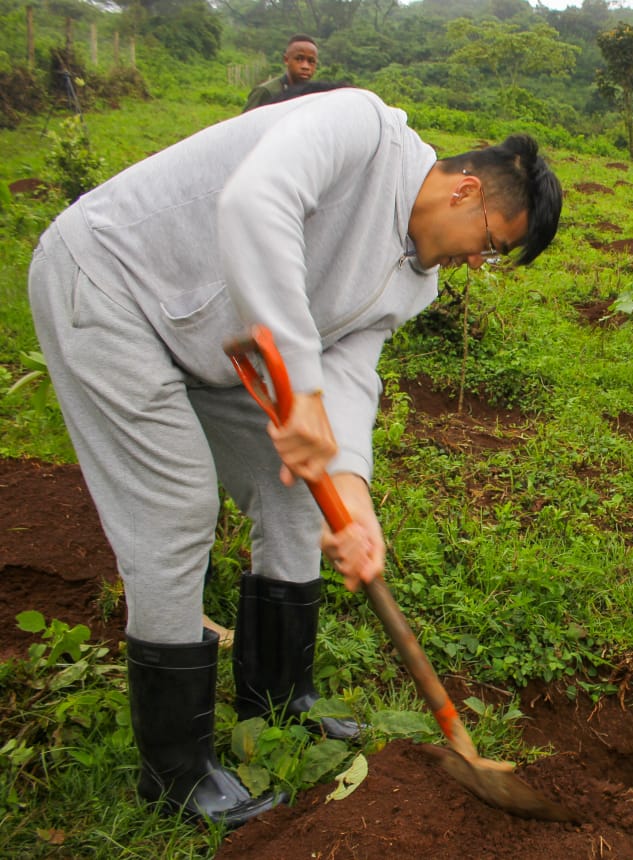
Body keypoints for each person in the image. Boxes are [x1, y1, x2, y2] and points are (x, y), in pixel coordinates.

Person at [27, 87, 562, 827]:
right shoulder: (360, 129)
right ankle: (176, 770)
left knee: (297, 493)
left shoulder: (415, 283)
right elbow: (255, 202)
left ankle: (278, 699)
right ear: (465, 189)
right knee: (174, 505)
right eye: (492, 243)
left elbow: (347, 377)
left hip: (220, 340)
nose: (480, 261)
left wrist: (356, 502)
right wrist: (299, 388)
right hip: (111, 284)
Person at [243, 34, 320, 112]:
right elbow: (245, 122)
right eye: (299, 59)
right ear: (286, 60)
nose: (305, 66)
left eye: (311, 61)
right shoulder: (267, 92)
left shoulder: (315, 96)